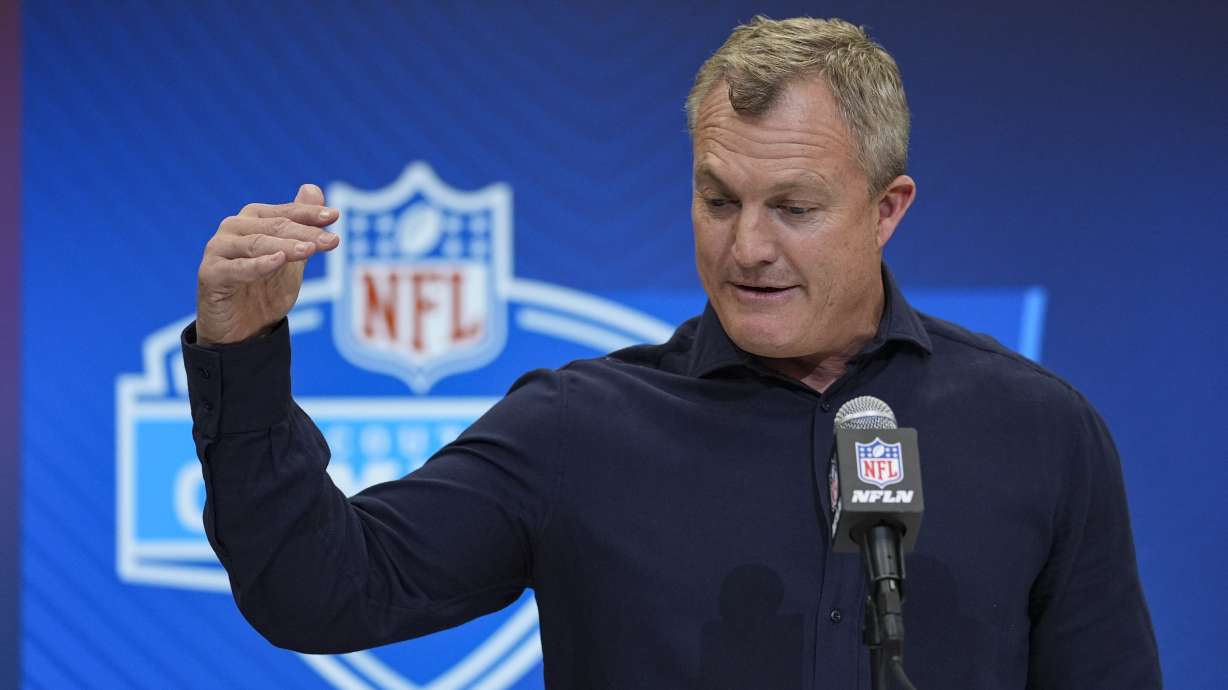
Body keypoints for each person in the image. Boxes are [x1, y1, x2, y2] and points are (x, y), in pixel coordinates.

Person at [181, 16, 1161, 689]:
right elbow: (321, 592)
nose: (747, 247)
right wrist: (244, 351)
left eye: (794, 208)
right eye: (718, 199)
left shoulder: (1038, 432)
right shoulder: (578, 429)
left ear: (886, 208)